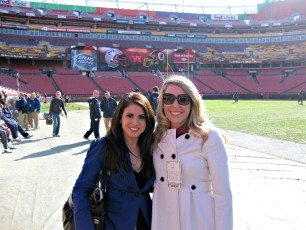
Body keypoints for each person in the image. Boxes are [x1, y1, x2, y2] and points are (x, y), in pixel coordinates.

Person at [151, 75, 233, 230]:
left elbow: (223, 195)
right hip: (164, 219)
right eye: (168, 98)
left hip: (198, 220)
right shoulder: (156, 137)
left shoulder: (209, 138)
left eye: (183, 99)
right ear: (162, 103)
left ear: (193, 103)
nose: (175, 105)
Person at [73, 92, 156, 230]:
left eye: (141, 117)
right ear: (119, 118)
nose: (135, 122)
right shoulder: (103, 146)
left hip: (147, 222)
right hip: (114, 224)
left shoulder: (150, 148)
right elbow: (81, 190)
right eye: (129, 116)